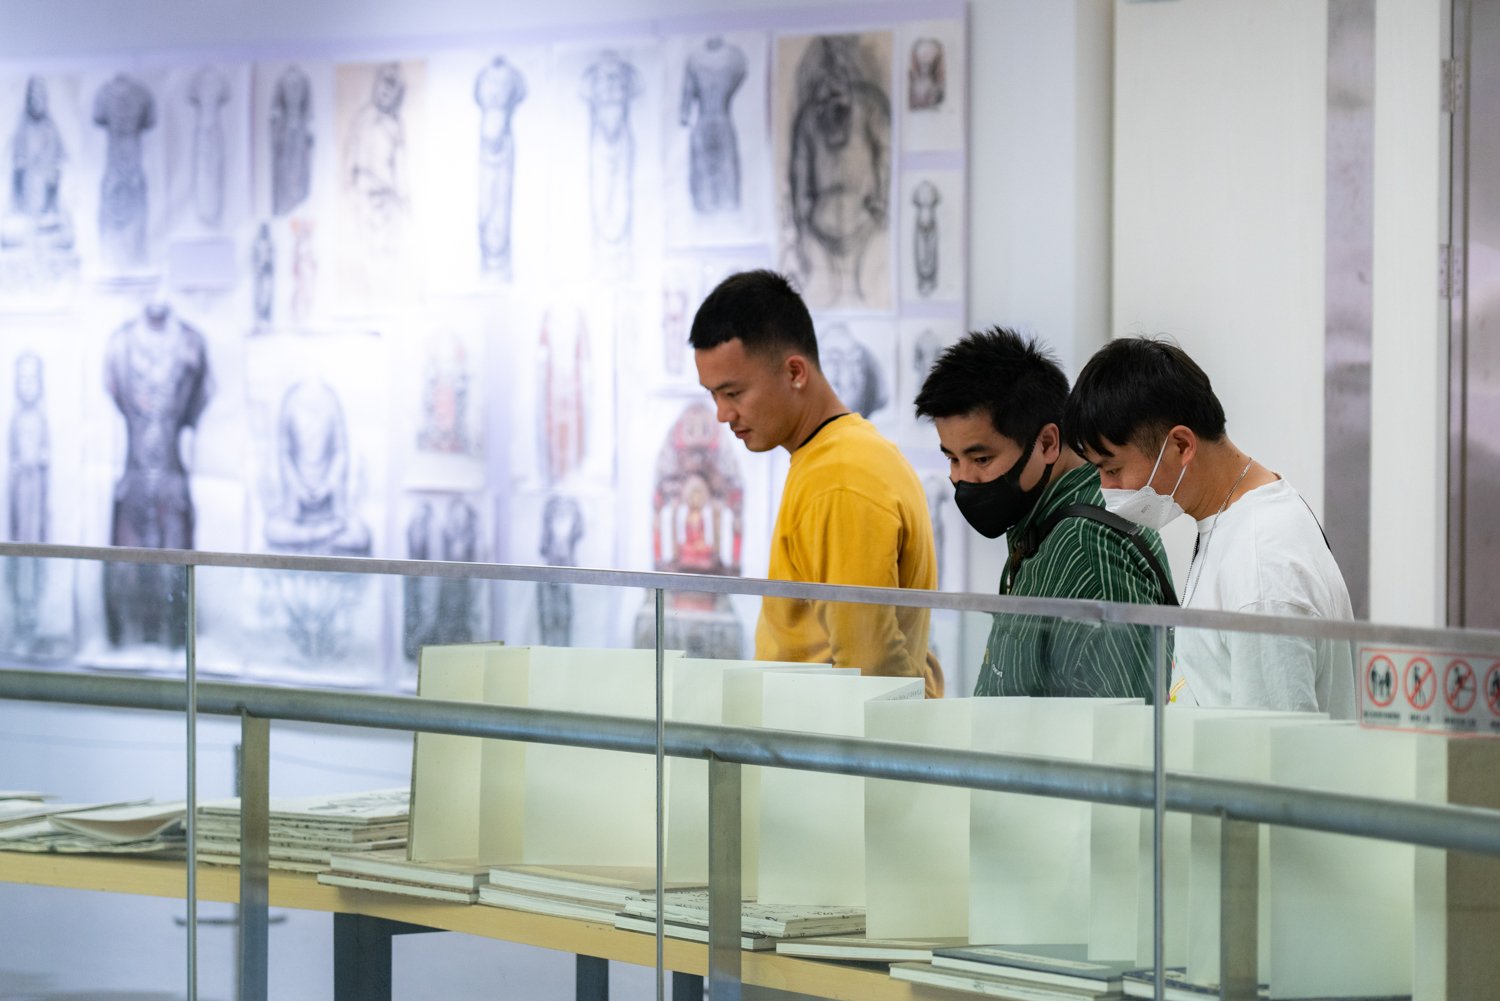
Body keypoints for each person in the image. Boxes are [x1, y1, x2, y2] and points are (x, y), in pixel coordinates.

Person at [1063, 336, 1356, 719]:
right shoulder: (1231, 522)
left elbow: (1272, 748)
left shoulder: (1261, 566)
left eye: (1113, 468)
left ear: (1181, 445)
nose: (1106, 489)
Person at [691, 269, 941, 697]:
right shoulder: (839, 456)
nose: (722, 414)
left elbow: (871, 671)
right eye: (712, 394)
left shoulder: (840, 477)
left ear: (795, 372)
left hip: (830, 737)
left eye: (733, 393)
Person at [914, 327, 1174, 700]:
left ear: (1048, 443)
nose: (962, 478)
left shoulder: (1087, 548)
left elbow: (1122, 727)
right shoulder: (1038, 528)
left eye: (981, 459)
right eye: (952, 459)